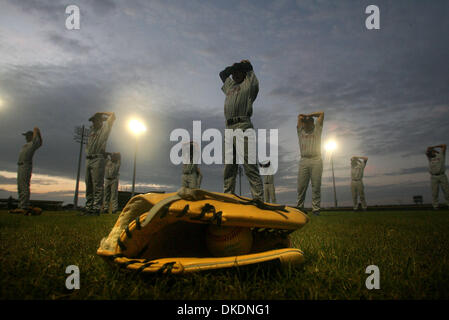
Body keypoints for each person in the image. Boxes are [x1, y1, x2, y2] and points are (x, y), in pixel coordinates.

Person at [219, 59, 263, 200]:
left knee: (249, 166)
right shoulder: (230, 86)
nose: (235, 75)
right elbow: (222, 74)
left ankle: (258, 200)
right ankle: (228, 198)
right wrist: (233, 67)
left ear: (244, 73)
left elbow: (250, 71)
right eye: (234, 73)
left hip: (243, 125)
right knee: (229, 168)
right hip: (229, 128)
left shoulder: (248, 84)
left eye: (238, 72)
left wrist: (245, 66)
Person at [84, 112, 115, 215]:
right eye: (93, 121)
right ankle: (88, 207)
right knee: (88, 184)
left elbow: (113, 115)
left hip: (98, 158)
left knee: (97, 184)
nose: (93, 123)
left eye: (95, 120)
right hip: (88, 158)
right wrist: (99, 117)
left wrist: (102, 114)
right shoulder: (92, 130)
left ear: (100, 121)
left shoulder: (104, 129)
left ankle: (96, 208)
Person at [296, 112, 324, 215]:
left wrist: (309, 115)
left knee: (316, 186)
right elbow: (299, 117)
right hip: (304, 160)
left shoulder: (317, 130)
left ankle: (316, 209)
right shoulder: (300, 131)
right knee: (301, 186)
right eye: (304, 123)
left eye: (308, 122)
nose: (306, 124)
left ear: (312, 123)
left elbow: (321, 113)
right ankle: (299, 208)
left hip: (316, 159)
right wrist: (303, 117)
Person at [14, 127, 43, 213]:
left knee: (24, 186)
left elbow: (40, 142)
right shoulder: (26, 145)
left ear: (31, 136)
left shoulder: (33, 144)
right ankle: (21, 205)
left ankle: (24, 206)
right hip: (20, 166)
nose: (25, 137)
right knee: (20, 187)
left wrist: (36, 132)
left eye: (27, 136)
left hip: (26, 166)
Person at [426, 144, 449, 210]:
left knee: (446, 191)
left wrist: (433, 147)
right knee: (434, 192)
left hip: (442, 175)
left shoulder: (441, 155)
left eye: (432, 152)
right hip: (433, 176)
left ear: (436, 152)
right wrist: (430, 148)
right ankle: (435, 206)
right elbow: (427, 150)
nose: (430, 153)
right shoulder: (430, 158)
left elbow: (444, 145)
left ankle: (448, 204)